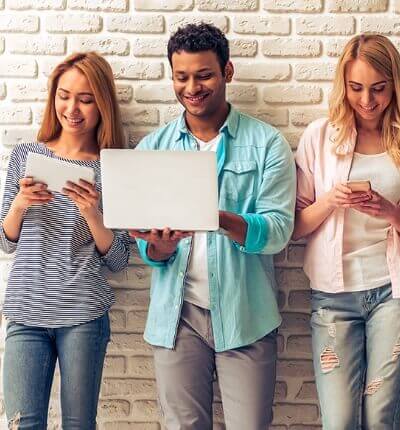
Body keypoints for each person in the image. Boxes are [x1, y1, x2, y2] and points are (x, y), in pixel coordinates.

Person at [129, 23, 296, 429]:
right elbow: (146, 248)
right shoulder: (153, 149)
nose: (192, 87)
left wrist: (215, 217)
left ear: (227, 72)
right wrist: (159, 246)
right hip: (178, 316)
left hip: (246, 316)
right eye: (181, 77)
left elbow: (277, 231)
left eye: (204, 75)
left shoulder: (267, 143)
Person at [292, 34, 400, 429]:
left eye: (378, 88)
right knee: (339, 421)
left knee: (380, 419)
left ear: (395, 86)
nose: (367, 100)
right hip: (333, 296)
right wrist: (330, 200)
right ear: (344, 85)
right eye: (356, 88)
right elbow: (295, 228)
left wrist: (389, 211)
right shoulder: (320, 138)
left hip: (395, 293)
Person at [1, 51, 130, 429]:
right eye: (64, 95)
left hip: (83, 313)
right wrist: (21, 205)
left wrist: (93, 213)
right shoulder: (27, 154)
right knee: (23, 423)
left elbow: (120, 259)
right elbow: (6, 242)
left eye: (86, 99)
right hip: (26, 311)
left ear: (102, 104)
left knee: (79, 424)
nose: (72, 108)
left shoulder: (112, 166)